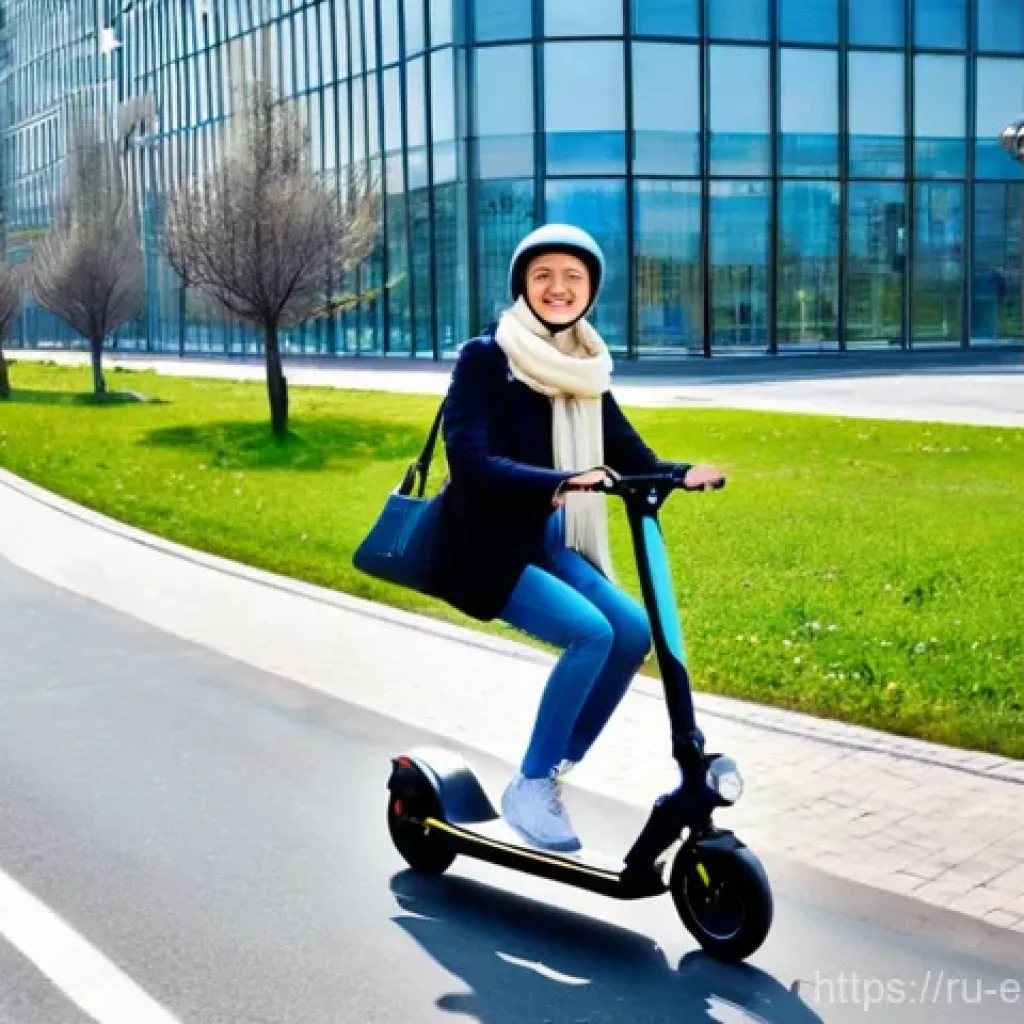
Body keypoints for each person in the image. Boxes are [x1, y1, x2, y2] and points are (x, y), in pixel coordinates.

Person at [428, 224, 724, 853]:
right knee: (591, 633)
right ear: (523, 287)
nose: (558, 288)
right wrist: (561, 482)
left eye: (573, 277)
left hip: (549, 541)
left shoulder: (584, 367)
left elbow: (630, 454)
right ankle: (532, 784)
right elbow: (470, 462)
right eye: (543, 276)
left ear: (590, 289)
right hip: (484, 547)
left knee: (632, 632)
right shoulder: (487, 358)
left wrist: (678, 474)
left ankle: (553, 766)